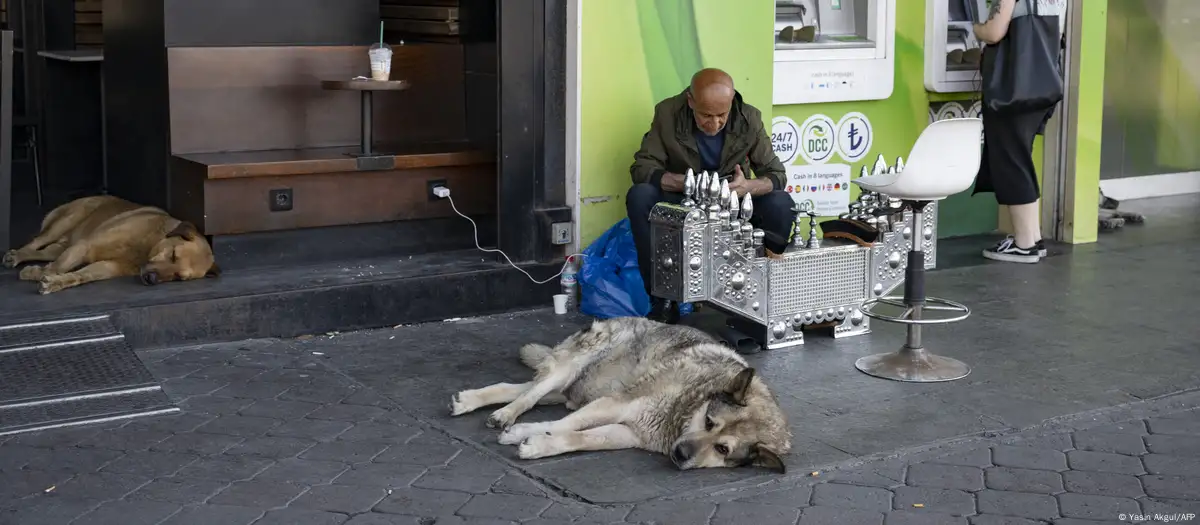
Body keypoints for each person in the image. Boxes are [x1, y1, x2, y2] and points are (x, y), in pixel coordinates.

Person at [626, 68, 795, 323]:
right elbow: (642, 168)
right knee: (640, 196)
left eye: (721, 116)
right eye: (706, 115)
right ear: (690, 101)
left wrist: (746, 187)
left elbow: (776, 175)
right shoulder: (668, 114)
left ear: (731, 104)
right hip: (685, 199)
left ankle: (759, 296)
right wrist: (685, 182)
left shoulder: (749, 118)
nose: (714, 124)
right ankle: (662, 299)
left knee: (781, 203)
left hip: (732, 199)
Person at [971, 0, 1064, 263]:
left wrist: (974, 28)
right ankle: (1032, 238)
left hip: (1013, 89)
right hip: (1041, 85)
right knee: (1021, 159)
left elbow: (994, 32)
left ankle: (1023, 245)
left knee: (1011, 162)